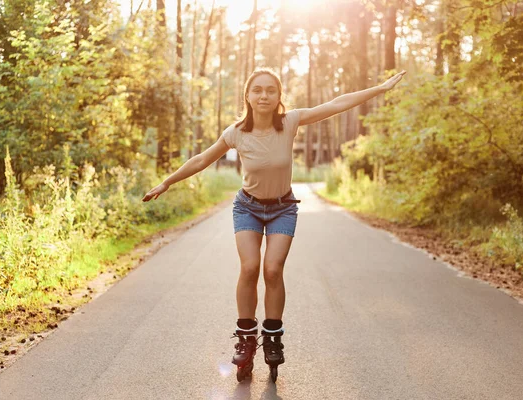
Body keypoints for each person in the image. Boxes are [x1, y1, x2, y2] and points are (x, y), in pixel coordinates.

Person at [142, 68, 406, 381]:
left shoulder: (290, 122)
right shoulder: (236, 132)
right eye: (258, 90)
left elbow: (336, 104)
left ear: (279, 96)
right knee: (250, 267)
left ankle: (273, 338)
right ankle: (245, 339)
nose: (264, 95)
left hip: (283, 208)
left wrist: (380, 89)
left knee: (273, 270)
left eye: (270, 90)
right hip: (247, 208)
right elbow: (202, 159)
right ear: (248, 96)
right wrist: (167, 182)